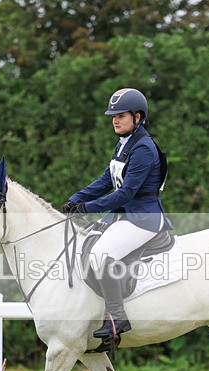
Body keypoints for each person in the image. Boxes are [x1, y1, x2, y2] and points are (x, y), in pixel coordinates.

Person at [63, 88, 171, 341]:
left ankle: (116, 318)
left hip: (143, 218)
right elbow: (105, 180)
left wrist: (88, 208)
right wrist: (77, 198)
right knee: (85, 244)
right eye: (113, 115)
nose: (115, 120)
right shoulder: (125, 144)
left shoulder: (144, 148)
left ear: (138, 117)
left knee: (102, 255)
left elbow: (125, 193)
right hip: (124, 215)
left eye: (121, 115)